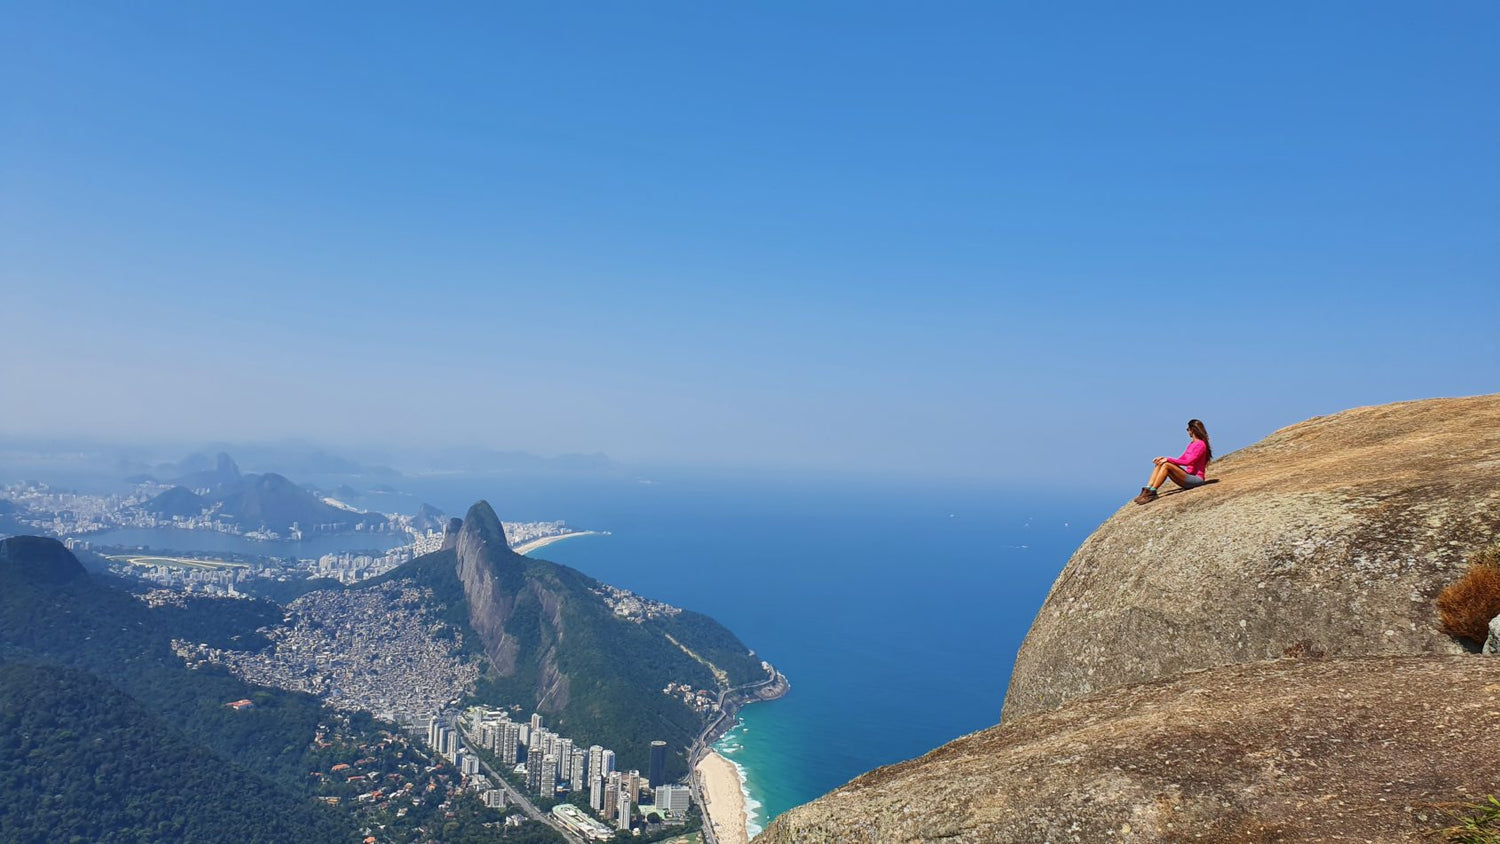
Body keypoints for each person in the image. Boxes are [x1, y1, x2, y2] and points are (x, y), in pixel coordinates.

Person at [1134, 419, 1212, 505]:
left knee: (1166, 465)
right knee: (1161, 463)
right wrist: (1163, 459)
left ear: (1192, 430)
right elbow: (1182, 458)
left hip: (1196, 480)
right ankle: (1147, 489)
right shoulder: (1192, 444)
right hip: (1188, 477)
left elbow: (1188, 462)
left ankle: (1152, 492)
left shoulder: (1200, 445)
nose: (1188, 432)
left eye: (1188, 429)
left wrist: (1168, 459)